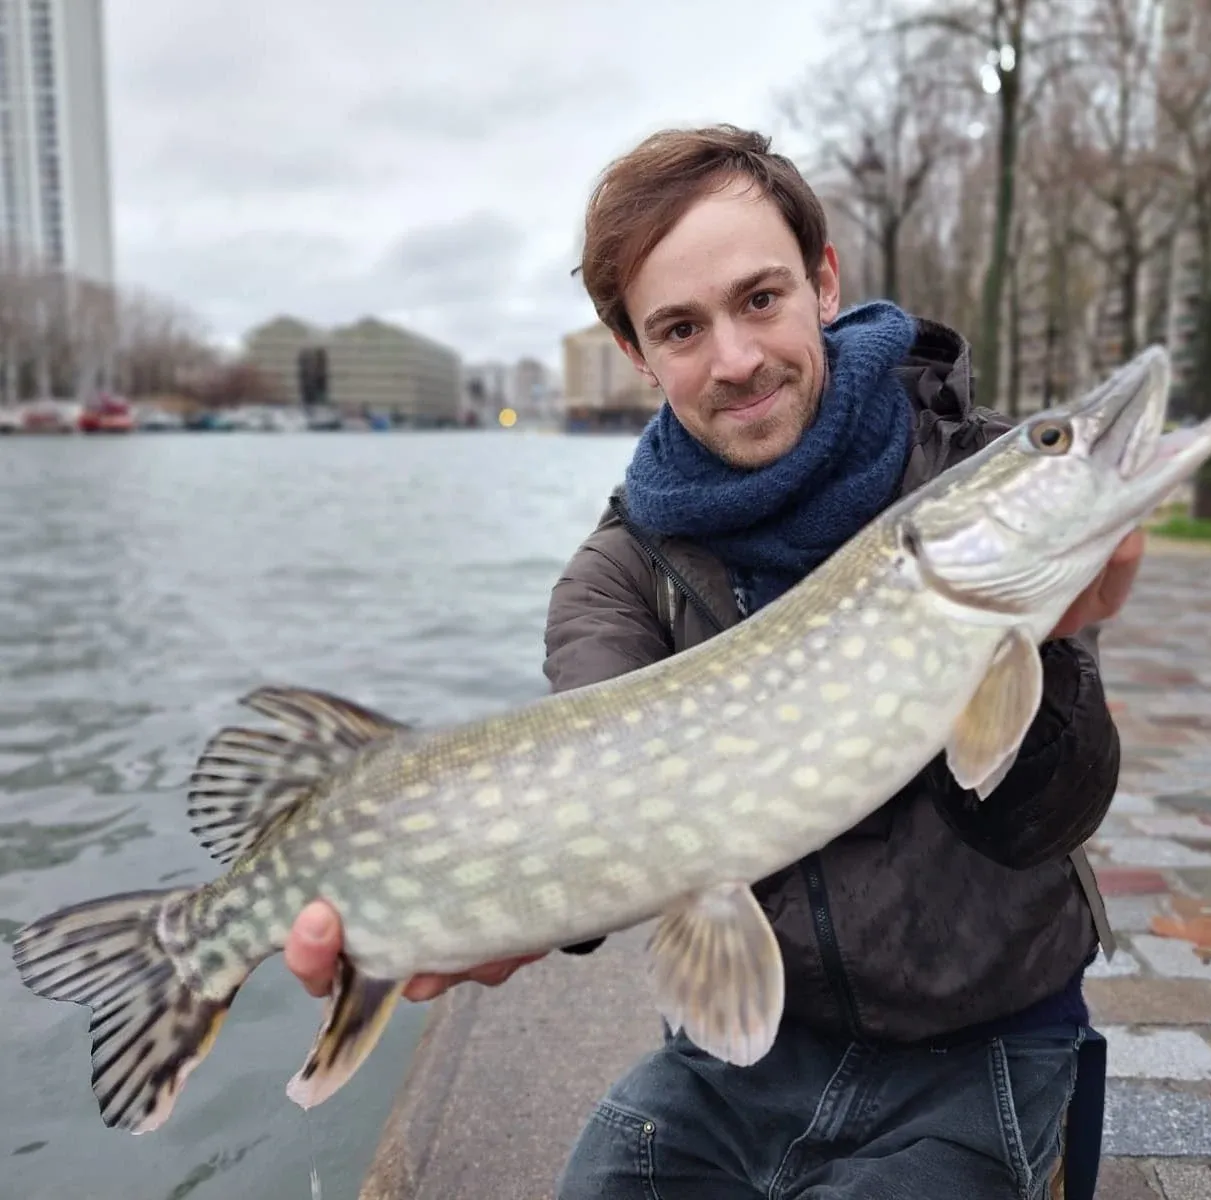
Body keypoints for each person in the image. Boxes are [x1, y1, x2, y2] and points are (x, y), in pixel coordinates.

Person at [284, 125, 1143, 1198]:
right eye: (681, 328)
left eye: (760, 299)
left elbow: (1043, 817)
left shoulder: (973, 480)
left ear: (822, 282)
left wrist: (1052, 652)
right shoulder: (613, 577)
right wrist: (494, 905)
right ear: (636, 352)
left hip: (988, 1040)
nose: (735, 360)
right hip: (744, 1057)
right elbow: (613, 800)